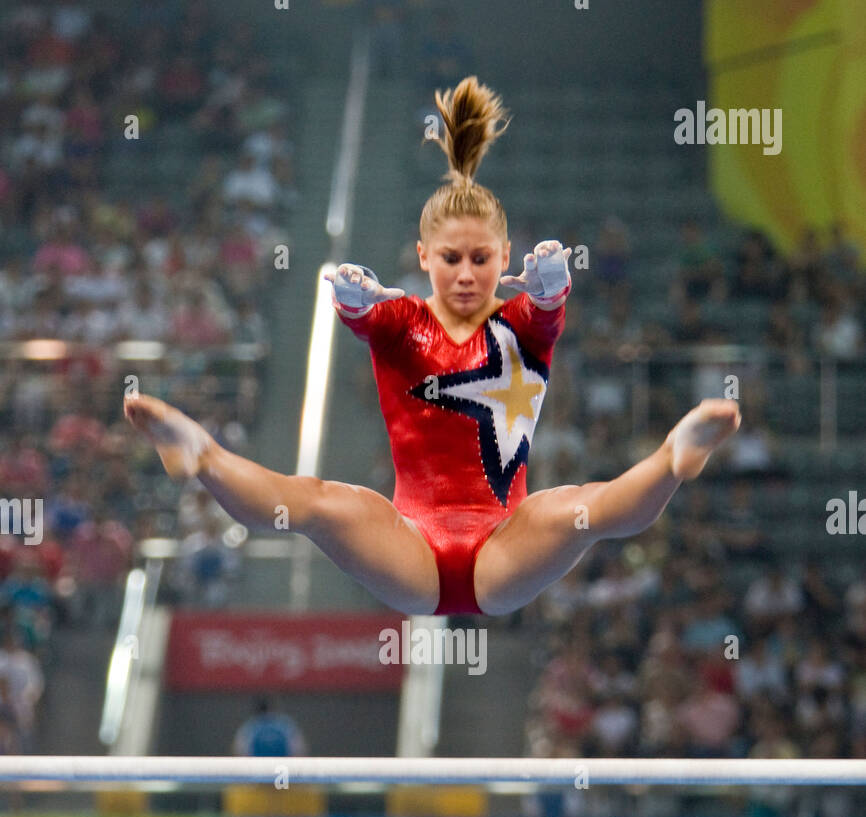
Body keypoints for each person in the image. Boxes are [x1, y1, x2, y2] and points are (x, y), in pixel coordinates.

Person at [124, 77, 740, 619]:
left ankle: (675, 458)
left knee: (580, 509)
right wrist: (355, 297)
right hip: (410, 548)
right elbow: (365, 318)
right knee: (321, 502)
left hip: (505, 548)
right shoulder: (402, 320)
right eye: (450, 259)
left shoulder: (521, 325)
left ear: (504, 258)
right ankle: (201, 456)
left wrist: (553, 281)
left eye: (481, 258)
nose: (466, 273)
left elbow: (548, 312)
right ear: (424, 257)